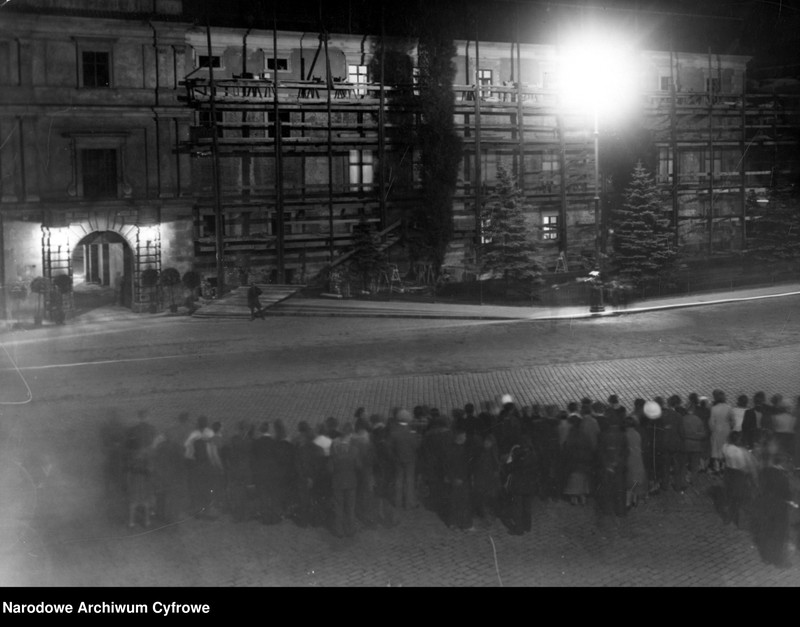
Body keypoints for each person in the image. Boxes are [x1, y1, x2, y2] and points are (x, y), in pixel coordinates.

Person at [753, 452, 796, 567]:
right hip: (778, 509)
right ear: (782, 463)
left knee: (767, 531)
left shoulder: (765, 471)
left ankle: (766, 557)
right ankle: (777, 560)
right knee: (779, 534)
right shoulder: (783, 478)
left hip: (765, 507)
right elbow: (787, 495)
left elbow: (760, 486)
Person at [329, 422, 360, 538]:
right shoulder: (354, 448)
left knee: (338, 506)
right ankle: (350, 529)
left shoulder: (334, 446)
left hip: (337, 480)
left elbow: (331, 466)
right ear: (350, 433)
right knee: (350, 507)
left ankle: (339, 530)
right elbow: (358, 465)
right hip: (351, 480)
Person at [721, 431, 757, 528]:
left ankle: (728, 518)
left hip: (728, 472)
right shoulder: (740, 451)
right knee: (740, 497)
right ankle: (740, 521)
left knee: (730, 496)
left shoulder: (725, 447)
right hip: (738, 474)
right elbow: (743, 466)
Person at [505, 437, 539, 535]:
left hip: (519, 486)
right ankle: (527, 526)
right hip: (530, 486)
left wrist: (511, 455)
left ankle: (519, 529)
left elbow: (510, 467)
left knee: (517, 507)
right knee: (527, 506)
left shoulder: (519, 456)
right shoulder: (534, 455)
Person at [443, 428, 475, 531]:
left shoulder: (449, 448)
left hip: (453, 479)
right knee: (464, 502)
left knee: (454, 501)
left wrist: (449, 477)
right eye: (464, 436)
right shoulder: (463, 450)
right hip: (461, 479)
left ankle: (453, 523)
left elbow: (446, 465)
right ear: (460, 437)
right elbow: (462, 466)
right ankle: (466, 525)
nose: (466, 438)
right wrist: (460, 477)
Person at [388, 409, 419, 511]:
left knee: (398, 480)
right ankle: (409, 503)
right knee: (409, 481)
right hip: (410, 459)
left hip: (397, 458)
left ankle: (398, 502)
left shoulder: (394, 432)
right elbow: (416, 446)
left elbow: (390, 447)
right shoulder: (412, 433)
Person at [562, 415, 594, 506]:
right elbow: (590, 447)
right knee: (583, 480)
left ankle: (574, 499)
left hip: (573, 462)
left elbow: (567, 449)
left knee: (573, 480)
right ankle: (583, 498)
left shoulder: (570, 435)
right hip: (584, 462)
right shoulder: (585, 435)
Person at [471, 431, 501, 523]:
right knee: (480, 496)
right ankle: (482, 514)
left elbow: (496, 465)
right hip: (480, 477)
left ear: (492, 443)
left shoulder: (493, 453)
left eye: (488, 442)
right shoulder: (480, 451)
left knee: (488, 497)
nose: (486, 444)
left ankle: (488, 515)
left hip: (489, 478)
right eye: (485, 442)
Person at [624, 416, 647, 509]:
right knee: (636, 479)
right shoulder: (637, 434)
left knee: (628, 481)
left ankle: (628, 502)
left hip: (629, 459)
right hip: (638, 459)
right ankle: (634, 499)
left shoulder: (625, 435)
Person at [709, 390, 733, 475]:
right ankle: (723, 466)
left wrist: (713, 430)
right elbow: (732, 420)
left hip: (717, 429)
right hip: (726, 430)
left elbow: (711, 422)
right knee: (725, 448)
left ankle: (717, 468)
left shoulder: (713, 408)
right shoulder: (729, 408)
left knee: (716, 449)